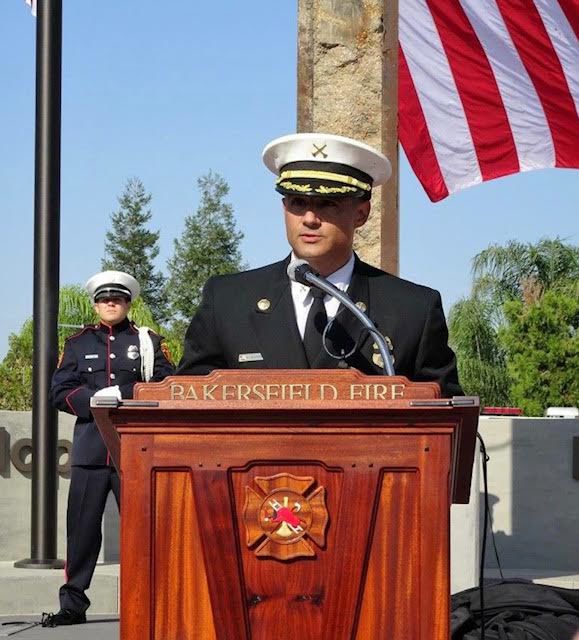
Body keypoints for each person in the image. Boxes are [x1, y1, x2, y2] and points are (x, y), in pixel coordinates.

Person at [177, 132, 461, 397]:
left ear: (361, 214)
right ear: (284, 208)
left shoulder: (412, 310)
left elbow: (444, 416)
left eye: (328, 204)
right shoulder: (227, 301)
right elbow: (184, 404)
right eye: (298, 203)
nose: (310, 219)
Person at [41, 270, 174, 627]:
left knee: (144, 529)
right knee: (82, 531)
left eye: (117, 299)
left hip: (135, 449)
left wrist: (126, 394)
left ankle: (152, 599)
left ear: (128, 303)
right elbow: (59, 390)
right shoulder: (77, 343)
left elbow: (168, 383)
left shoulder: (147, 341)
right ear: (95, 305)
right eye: (104, 299)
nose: (110, 303)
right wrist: (92, 398)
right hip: (90, 450)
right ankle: (73, 604)